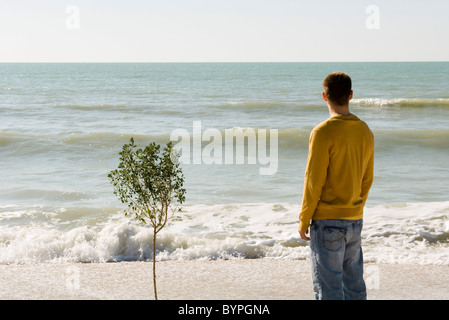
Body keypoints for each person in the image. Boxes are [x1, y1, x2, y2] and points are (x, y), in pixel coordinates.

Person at [298, 72, 374, 300]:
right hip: (354, 219)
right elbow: (367, 178)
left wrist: (304, 218)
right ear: (350, 95)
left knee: (328, 290)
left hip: (328, 222)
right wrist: (355, 207)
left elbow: (314, 180)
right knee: (355, 288)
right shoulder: (364, 130)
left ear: (324, 96)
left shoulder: (322, 132)